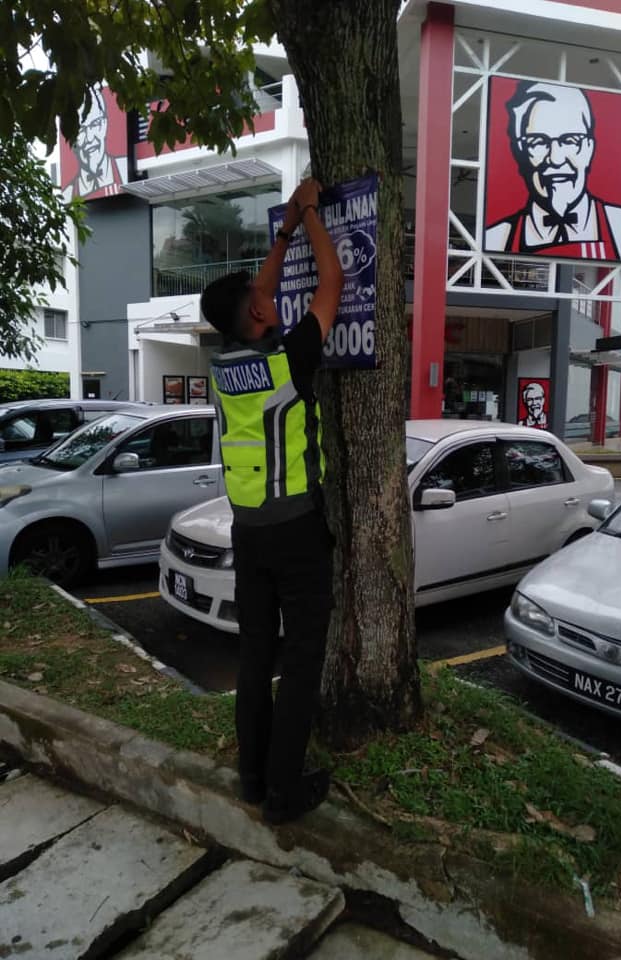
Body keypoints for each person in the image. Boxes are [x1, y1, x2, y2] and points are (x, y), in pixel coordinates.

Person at [201, 178, 343, 825]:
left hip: (249, 535)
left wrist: (283, 232)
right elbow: (332, 285)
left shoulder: (224, 364)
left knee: (257, 655)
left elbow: (250, 300)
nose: (271, 293)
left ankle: (254, 780)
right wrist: (311, 216)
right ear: (258, 315)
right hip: (296, 535)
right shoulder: (289, 360)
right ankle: (286, 792)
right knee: (304, 655)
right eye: (263, 297)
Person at [485, 81, 621, 260]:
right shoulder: (497, 237)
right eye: (538, 142)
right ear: (520, 151)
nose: (556, 159)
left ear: (589, 148)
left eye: (570, 141)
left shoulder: (620, 226)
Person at [70, 89, 124, 199]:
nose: (90, 138)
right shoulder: (67, 195)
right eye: (81, 130)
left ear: (104, 124)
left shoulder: (123, 171)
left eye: (95, 124)